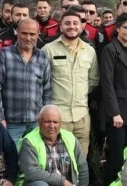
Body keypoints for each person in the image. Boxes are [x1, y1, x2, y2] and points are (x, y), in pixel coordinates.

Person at [15, 105, 89, 186]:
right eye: (47, 121)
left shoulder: (70, 138)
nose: (52, 126)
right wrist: (63, 181)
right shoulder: (30, 141)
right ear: (39, 122)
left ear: (60, 123)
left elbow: (83, 168)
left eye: (55, 122)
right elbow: (32, 172)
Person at [98, 14, 127, 186]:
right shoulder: (110, 50)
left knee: (125, 154)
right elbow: (107, 84)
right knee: (116, 156)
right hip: (117, 112)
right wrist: (114, 112)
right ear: (117, 28)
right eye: (126, 28)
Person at [0, 18, 52, 142]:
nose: (28, 38)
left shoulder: (43, 57)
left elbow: (47, 90)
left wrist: (46, 118)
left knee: (35, 159)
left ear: (38, 35)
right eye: (24, 33)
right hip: (11, 123)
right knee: (13, 159)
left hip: (36, 122)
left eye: (32, 34)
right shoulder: (4, 55)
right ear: (16, 32)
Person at [40, 11, 95, 145]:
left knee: (80, 160)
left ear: (81, 27)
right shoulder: (48, 50)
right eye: (67, 23)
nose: (72, 26)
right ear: (60, 27)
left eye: (75, 23)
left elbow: (93, 80)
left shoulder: (90, 51)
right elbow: (41, 81)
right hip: (57, 117)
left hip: (82, 117)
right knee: (56, 160)